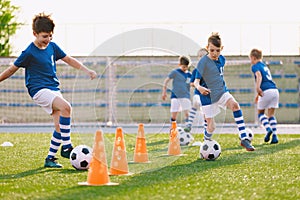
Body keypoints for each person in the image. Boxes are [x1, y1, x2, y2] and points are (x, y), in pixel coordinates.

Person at [0, 13, 97, 168]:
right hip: (38, 90)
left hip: (53, 88)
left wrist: (88, 70)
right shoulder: (28, 52)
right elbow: (12, 70)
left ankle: (50, 158)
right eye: (44, 36)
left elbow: (69, 60)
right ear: (35, 34)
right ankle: (67, 147)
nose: (48, 39)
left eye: (50, 36)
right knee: (67, 107)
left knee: (60, 126)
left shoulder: (52, 47)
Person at [194, 32, 255, 151]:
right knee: (211, 127)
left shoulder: (222, 59)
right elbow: (196, 82)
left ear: (221, 49)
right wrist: (200, 87)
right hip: (208, 97)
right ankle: (206, 142)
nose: (215, 53)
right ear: (207, 48)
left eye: (217, 50)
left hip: (222, 92)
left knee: (235, 105)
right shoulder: (203, 62)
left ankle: (244, 138)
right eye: (212, 50)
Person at [249, 48, 279, 144]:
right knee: (271, 115)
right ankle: (274, 136)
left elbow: (259, 76)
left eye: (250, 58)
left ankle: (268, 129)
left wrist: (258, 88)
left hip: (265, 91)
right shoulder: (264, 66)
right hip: (274, 91)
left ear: (253, 58)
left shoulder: (255, 66)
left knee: (260, 113)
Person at [162, 55, 192, 127]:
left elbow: (192, 83)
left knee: (187, 113)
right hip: (175, 96)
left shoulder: (189, 75)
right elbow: (166, 81)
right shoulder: (175, 72)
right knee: (174, 115)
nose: (185, 68)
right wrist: (164, 92)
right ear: (179, 65)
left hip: (185, 96)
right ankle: (172, 130)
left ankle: (187, 129)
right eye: (183, 67)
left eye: (186, 67)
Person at [184, 48, 208, 133]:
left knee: (206, 112)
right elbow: (191, 83)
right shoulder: (196, 70)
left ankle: (206, 130)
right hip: (198, 93)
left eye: (204, 56)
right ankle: (189, 124)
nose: (202, 58)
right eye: (200, 56)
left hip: (207, 95)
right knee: (196, 103)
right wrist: (197, 84)